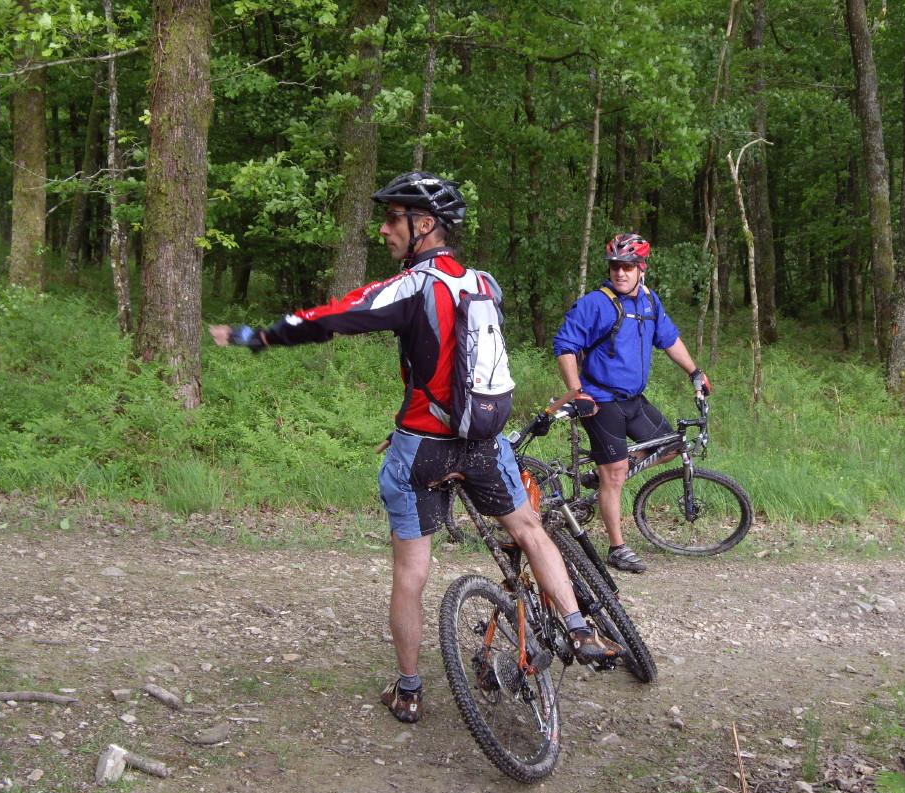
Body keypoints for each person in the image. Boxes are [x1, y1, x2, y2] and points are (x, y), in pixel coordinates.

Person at [210, 171, 621, 724]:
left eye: (392, 219)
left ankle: (408, 690)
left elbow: (333, 317)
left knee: (411, 572)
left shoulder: (414, 285)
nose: (384, 230)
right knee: (528, 528)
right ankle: (577, 626)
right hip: (481, 439)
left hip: (423, 448)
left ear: (423, 224)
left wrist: (258, 335)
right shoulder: (484, 284)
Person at [553, 232, 711, 574]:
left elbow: (669, 340)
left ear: (642, 268)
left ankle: (607, 473)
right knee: (614, 475)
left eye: (627, 267)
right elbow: (565, 346)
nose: (620, 273)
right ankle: (617, 547)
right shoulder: (596, 303)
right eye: (615, 267)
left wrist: (694, 371)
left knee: (669, 446)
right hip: (600, 400)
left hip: (633, 399)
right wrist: (576, 390)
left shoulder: (649, 302)